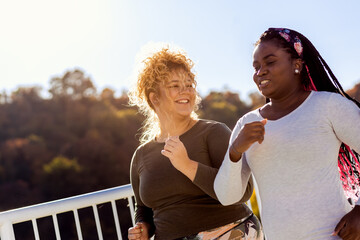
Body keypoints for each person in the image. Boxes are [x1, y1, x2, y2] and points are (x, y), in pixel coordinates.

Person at [214, 28, 360, 240]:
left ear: (297, 65)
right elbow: (227, 196)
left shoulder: (328, 106)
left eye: (270, 62)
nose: (260, 72)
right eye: (256, 67)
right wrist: (235, 151)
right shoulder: (246, 124)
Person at [127, 45, 264, 240]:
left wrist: (187, 165)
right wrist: (143, 228)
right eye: (175, 86)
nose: (185, 91)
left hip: (228, 232)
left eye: (189, 84)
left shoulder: (213, 132)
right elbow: (143, 208)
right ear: (154, 97)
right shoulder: (141, 155)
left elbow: (242, 192)